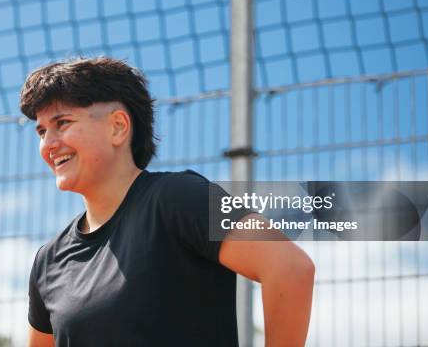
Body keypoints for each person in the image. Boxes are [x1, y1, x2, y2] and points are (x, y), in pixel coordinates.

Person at [20, 57, 314, 347]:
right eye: (42, 131)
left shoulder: (180, 197)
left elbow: (290, 268)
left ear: (118, 127)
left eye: (63, 122)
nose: (48, 144)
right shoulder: (49, 260)